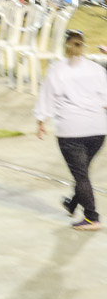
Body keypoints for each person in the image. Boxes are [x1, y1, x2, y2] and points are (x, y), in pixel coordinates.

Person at [35, 30, 107, 231]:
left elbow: (46, 98)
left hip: (71, 131)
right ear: (83, 45)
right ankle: (72, 203)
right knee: (82, 173)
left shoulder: (56, 70)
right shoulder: (96, 69)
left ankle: (92, 217)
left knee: (81, 176)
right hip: (98, 130)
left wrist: (41, 122)